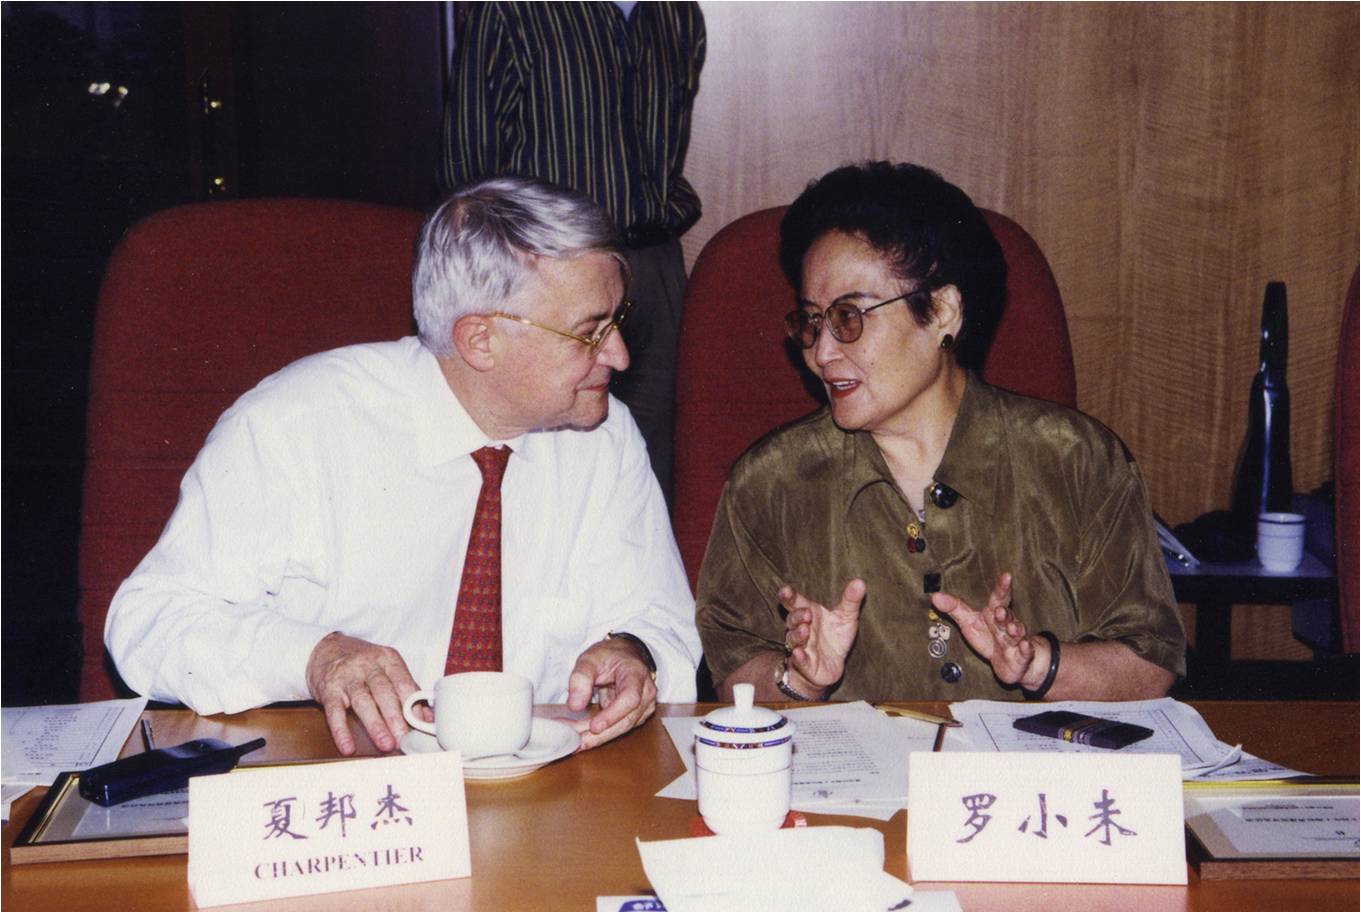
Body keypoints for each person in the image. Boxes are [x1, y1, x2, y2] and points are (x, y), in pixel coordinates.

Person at [105, 176, 701, 755]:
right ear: (479, 340)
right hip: (341, 778)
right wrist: (312, 657)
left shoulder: (604, 438)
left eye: (617, 321)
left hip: (542, 784)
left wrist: (634, 651)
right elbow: (147, 623)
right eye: (590, 333)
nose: (619, 355)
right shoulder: (296, 426)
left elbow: (660, 616)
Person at [696, 162, 1185, 704]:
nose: (822, 352)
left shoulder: (1077, 460)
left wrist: (1037, 664)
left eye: (849, 317)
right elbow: (732, 664)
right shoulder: (770, 482)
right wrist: (800, 678)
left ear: (942, 312)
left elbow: (1151, 660)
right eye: (812, 322)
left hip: (1026, 762)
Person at [439, 1, 706, 505]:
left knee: (651, 464)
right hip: (551, 275)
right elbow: (467, 171)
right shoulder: (511, 9)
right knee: (542, 456)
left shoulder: (675, 12)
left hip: (652, 262)